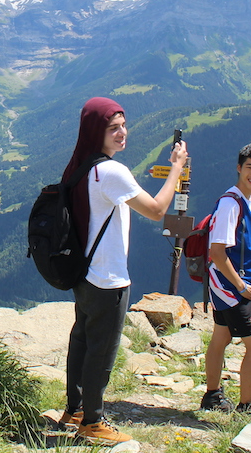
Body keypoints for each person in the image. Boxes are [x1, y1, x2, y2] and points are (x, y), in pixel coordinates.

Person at [58, 97, 188, 445]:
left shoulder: (81, 166)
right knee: (102, 350)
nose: (122, 133)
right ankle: (93, 422)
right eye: (112, 127)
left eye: (123, 125)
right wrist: (176, 167)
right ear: (95, 131)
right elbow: (157, 209)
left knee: (82, 340)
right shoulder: (111, 171)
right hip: (109, 278)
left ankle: (74, 410)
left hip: (84, 273)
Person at [200, 142, 251, 414]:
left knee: (222, 338)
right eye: (249, 168)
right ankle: (245, 407)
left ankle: (212, 395)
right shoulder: (231, 204)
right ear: (239, 168)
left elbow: (249, 247)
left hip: (233, 285)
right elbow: (217, 252)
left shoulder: (249, 201)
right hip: (232, 288)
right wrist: (243, 287)